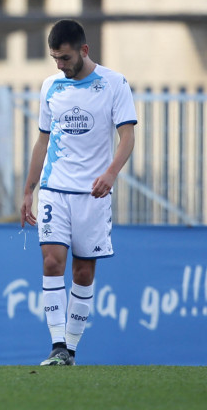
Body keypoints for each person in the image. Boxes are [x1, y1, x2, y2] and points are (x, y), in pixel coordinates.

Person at [20, 19, 136, 366]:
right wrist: (29, 191)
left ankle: (70, 348)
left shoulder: (114, 84)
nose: (59, 65)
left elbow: (127, 137)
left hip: (93, 195)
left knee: (83, 272)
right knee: (52, 261)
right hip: (55, 189)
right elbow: (42, 140)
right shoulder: (50, 87)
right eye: (55, 58)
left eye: (65, 58)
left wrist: (110, 174)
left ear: (84, 50)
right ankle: (56, 345)